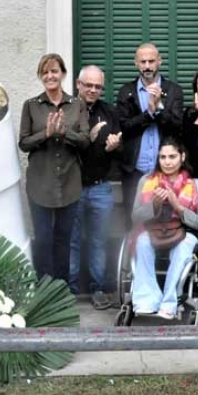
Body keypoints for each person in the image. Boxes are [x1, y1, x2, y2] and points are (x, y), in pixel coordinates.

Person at [19, 53, 90, 281]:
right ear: (41, 76)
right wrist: (46, 134)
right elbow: (23, 143)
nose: (50, 76)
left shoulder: (77, 104)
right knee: (43, 239)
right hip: (40, 184)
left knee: (64, 239)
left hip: (69, 183)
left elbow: (85, 140)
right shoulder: (31, 106)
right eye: (45, 72)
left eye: (54, 71)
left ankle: (61, 290)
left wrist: (64, 132)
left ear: (63, 74)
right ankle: (44, 290)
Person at [130, 138, 198, 319]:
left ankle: (168, 303)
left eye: (172, 156)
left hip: (185, 231)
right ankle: (146, 301)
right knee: (141, 243)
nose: (167, 161)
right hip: (153, 229)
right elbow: (135, 217)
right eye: (163, 157)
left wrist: (178, 207)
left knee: (183, 249)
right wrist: (154, 206)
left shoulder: (197, 185)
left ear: (182, 157)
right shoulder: (146, 181)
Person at [70, 65, 122, 309]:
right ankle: (68, 292)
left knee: (99, 241)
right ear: (78, 84)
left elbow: (122, 147)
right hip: (72, 187)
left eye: (97, 86)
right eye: (88, 85)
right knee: (72, 240)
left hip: (101, 187)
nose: (93, 90)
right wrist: (88, 139)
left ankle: (98, 289)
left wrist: (115, 146)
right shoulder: (68, 109)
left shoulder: (109, 112)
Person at [115, 43, 184, 220]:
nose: (147, 66)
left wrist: (159, 107)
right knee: (134, 221)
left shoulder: (173, 90)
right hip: (134, 171)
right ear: (136, 63)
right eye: (143, 61)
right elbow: (124, 127)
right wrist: (149, 114)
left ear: (159, 61)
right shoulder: (126, 91)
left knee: (168, 220)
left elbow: (177, 126)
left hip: (166, 170)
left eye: (151, 61)